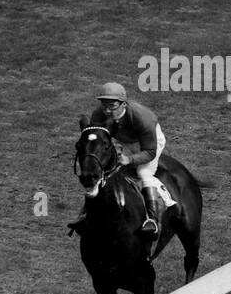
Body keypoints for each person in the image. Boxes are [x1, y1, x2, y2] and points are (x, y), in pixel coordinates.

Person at [71, 82, 168, 240]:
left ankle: (152, 220)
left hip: (149, 143)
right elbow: (99, 141)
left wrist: (129, 159)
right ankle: (84, 215)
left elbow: (150, 152)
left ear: (123, 104)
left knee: (143, 172)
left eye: (112, 106)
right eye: (104, 106)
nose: (107, 111)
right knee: (104, 172)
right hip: (125, 142)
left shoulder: (142, 118)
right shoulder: (99, 115)